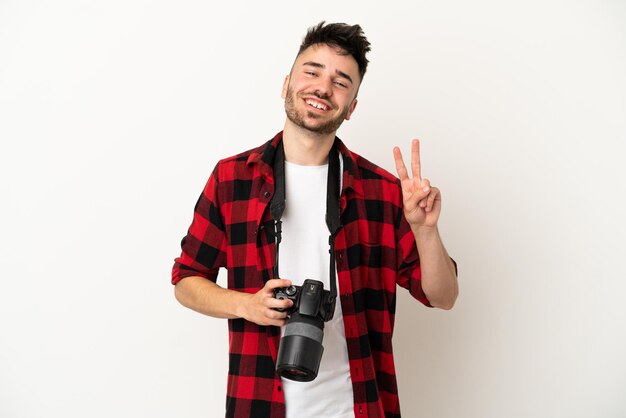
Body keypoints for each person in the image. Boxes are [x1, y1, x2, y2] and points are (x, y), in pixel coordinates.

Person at [172, 21, 458, 418]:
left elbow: (443, 297)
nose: (323, 88)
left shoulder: (383, 190)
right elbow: (186, 280)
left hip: (357, 408)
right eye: (312, 72)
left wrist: (426, 231)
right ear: (287, 83)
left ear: (352, 106)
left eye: (341, 81)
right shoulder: (232, 179)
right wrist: (247, 305)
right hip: (258, 404)